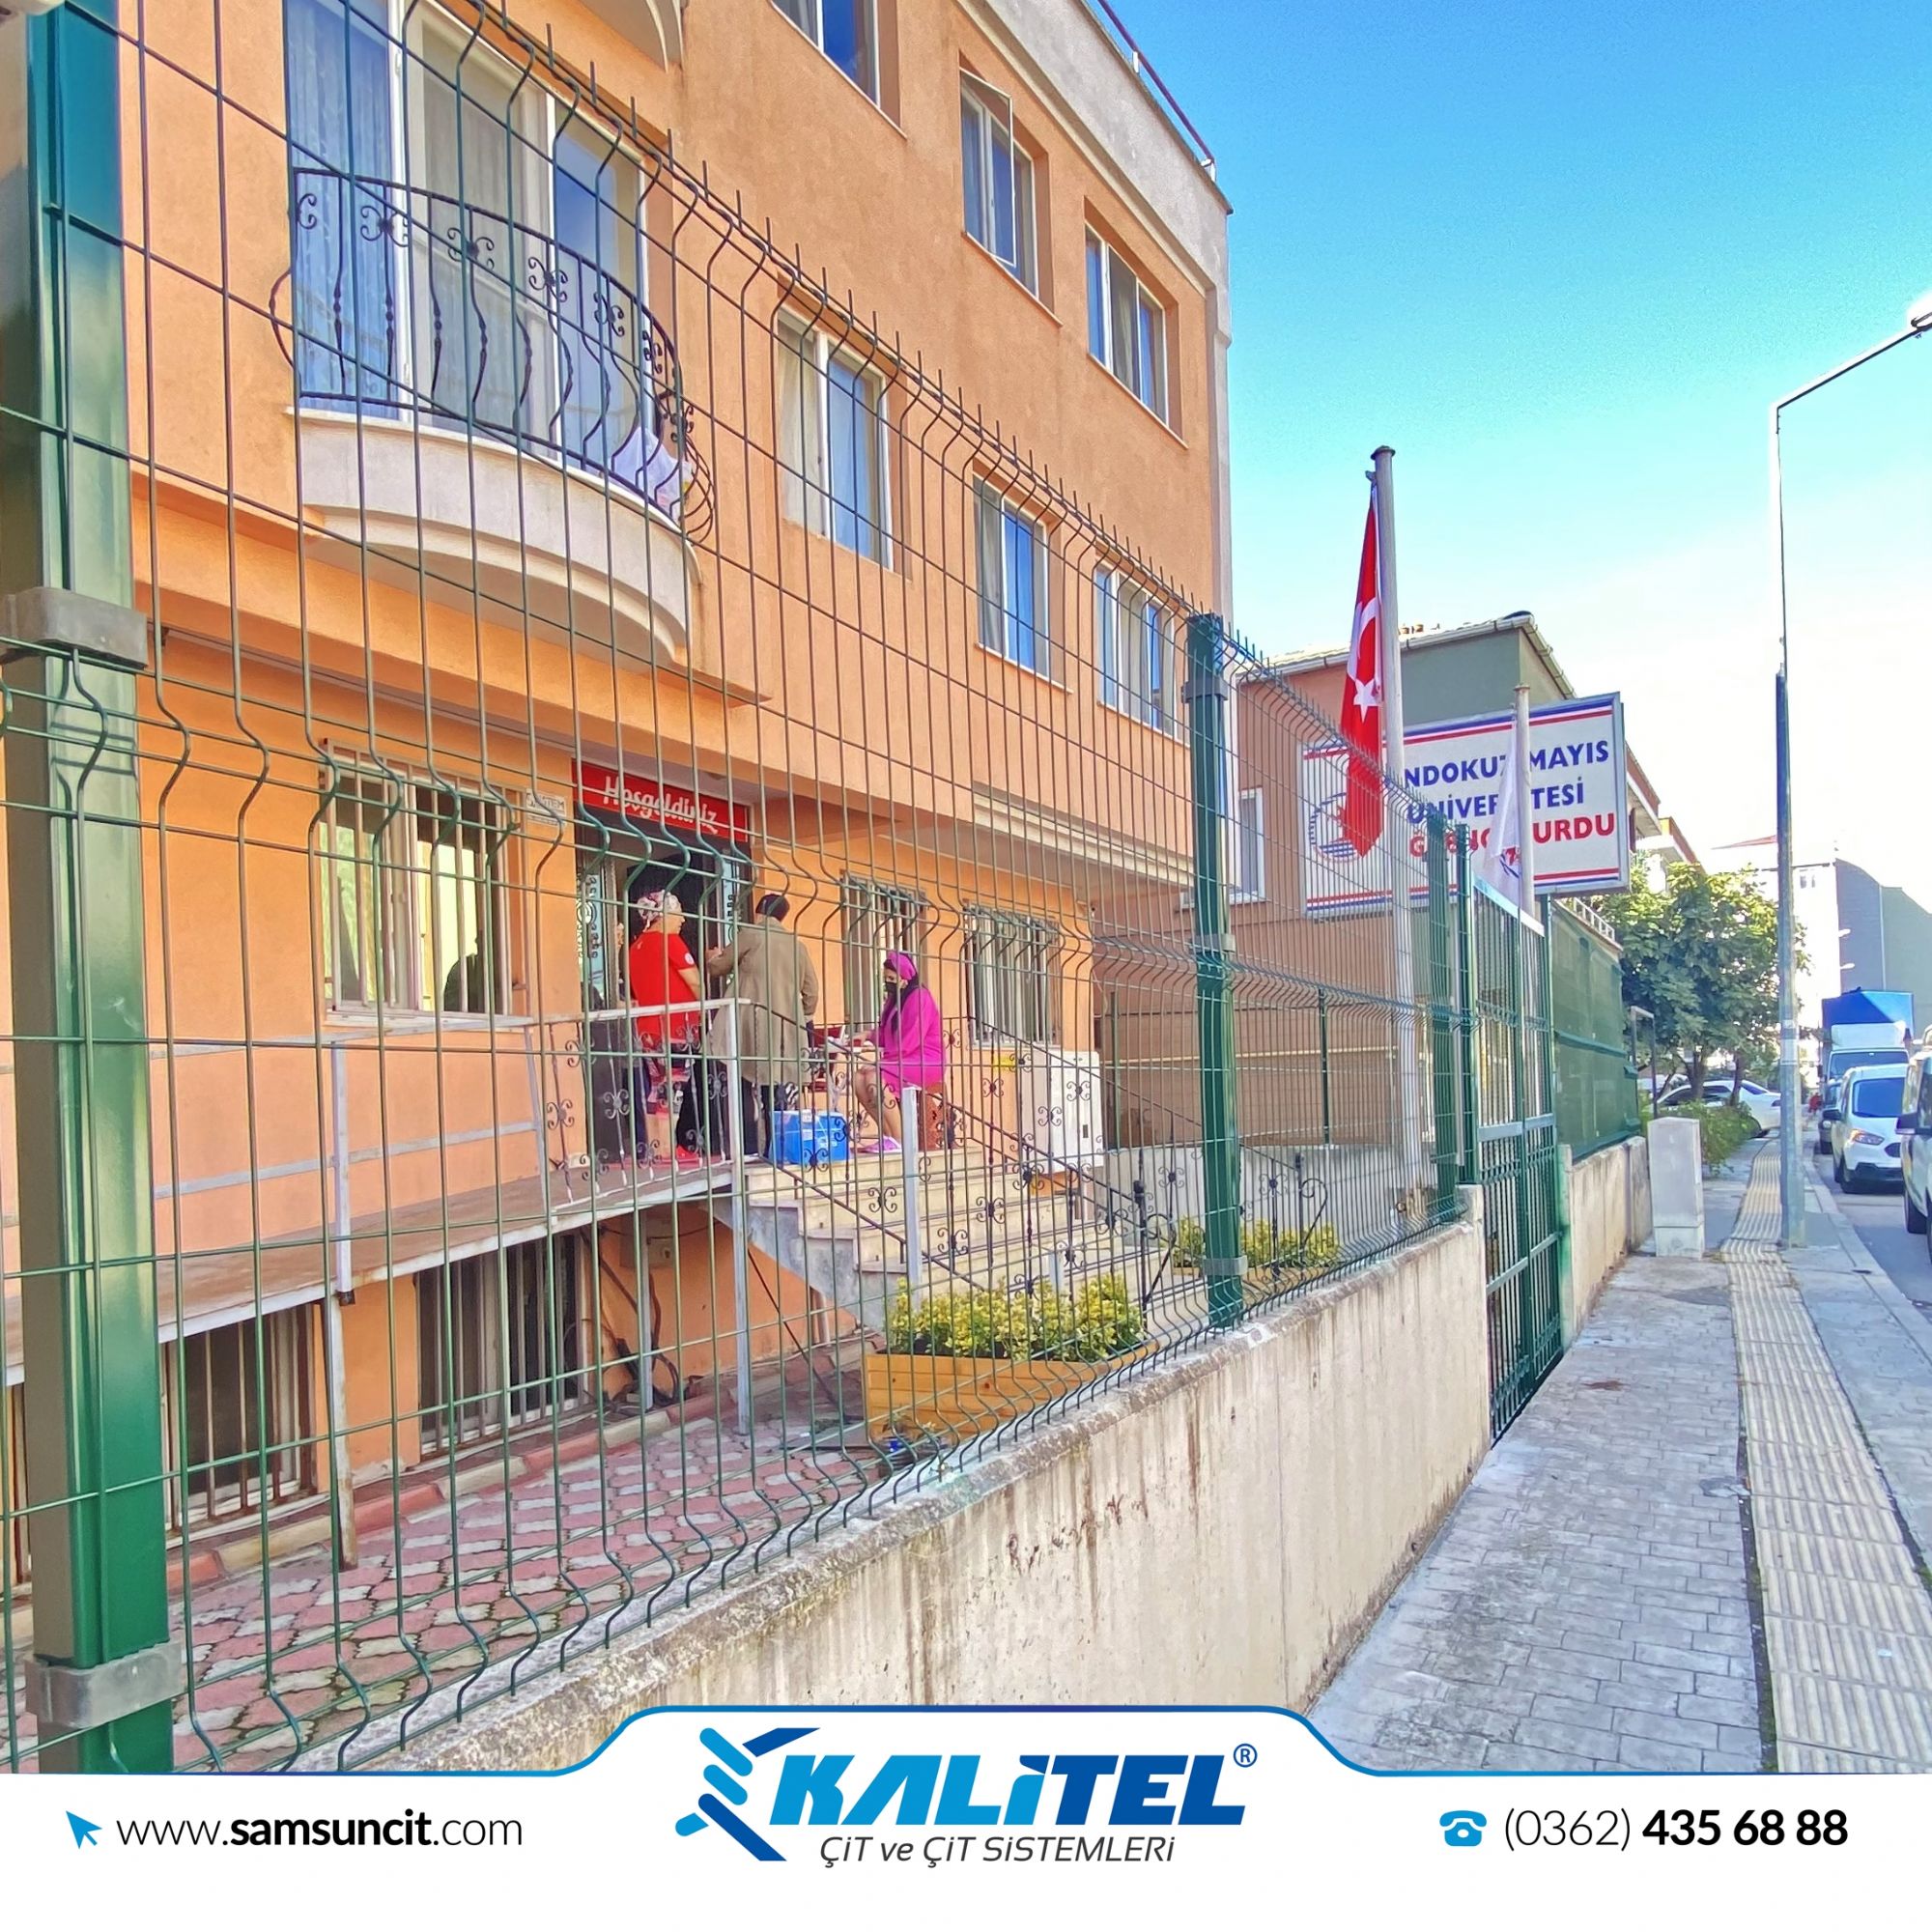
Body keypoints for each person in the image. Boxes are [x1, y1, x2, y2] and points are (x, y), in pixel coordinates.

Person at [705, 891, 820, 1158]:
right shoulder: (797, 946)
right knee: (776, 1088)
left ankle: (746, 1149)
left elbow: (718, 968)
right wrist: (797, 1016)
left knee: (742, 1082)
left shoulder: (751, 934)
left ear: (760, 912)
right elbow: (812, 993)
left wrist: (711, 956)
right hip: (784, 1028)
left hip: (749, 1022)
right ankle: (776, 1148)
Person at [627, 891, 704, 1163]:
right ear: (663, 915)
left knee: (656, 1085)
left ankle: (655, 1147)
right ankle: (668, 1149)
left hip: (648, 1029)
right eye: (678, 913)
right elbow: (694, 981)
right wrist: (707, 1007)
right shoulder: (670, 941)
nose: (682, 919)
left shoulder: (636, 947)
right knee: (674, 1085)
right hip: (675, 1027)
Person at [846, 950, 944, 1154]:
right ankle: (888, 1136)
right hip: (903, 1057)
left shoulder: (919, 997)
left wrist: (881, 1064)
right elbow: (888, 1034)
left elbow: (910, 1039)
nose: (887, 983)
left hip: (925, 1059)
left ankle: (900, 1140)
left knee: (873, 1077)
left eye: (891, 978)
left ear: (904, 978)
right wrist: (868, 1035)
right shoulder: (894, 999)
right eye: (885, 979)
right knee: (857, 1078)